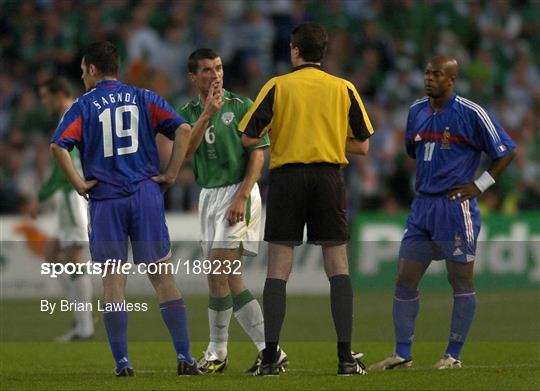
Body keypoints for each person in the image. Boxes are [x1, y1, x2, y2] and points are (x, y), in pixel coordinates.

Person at [50, 41, 199, 376]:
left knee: (113, 282)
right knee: (162, 277)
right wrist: (172, 172)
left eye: (82, 71)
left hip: (105, 199)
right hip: (145, 194)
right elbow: (184, 129)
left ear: (90, 69)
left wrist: (77, 182)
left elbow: (59, 146)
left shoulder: (83, 105)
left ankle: (123, 363)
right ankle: (185, 359)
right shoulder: (144, 97)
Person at [239, 22, 374, 376]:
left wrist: (288, 132)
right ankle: (346, 358)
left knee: (279, 267)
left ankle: (270, 358)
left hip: (287, 179)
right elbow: (362, 144)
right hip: (329, 178)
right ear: (323, 52)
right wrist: (326, 136)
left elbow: (248, 138)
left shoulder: (278, 86)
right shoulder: (343, 88)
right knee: (338, 265)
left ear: (294, 50)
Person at [369, 56, 516, 371]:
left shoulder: (471, 113)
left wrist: (480, 185)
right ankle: (402, 354)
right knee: (405, 279)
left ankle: (453, 354)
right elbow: (414, 151)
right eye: (427, 73)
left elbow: (506, 151)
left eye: (437, 74)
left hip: (454, 207)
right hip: (422, 206)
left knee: (460, 280)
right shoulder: (416, 111)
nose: (429, 78)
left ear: (452, 80)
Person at [178, 48, 288, 374]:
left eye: (219, 68)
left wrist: (241, 196)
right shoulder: (186, 112)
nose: (215, 75)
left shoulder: (243, 106)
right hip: (208, 197)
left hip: (238, 192)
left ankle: (217, 351)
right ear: (193, 77)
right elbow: (186, 153)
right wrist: (206, 115)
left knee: (216, 270)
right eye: (208, 70)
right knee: (229, 278)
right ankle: (270, 352)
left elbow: (258, 154)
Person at [26, 77, 94, 341]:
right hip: (68, 196)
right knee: (51, 253)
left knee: (74, 256)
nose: (44, 102)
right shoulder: (72, 115)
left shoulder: (72, 115)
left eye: (46, 96)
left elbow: (64, 164)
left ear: (58, 94)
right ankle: (81, 317)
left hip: (73, 196)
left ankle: (85, 325)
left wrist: (40, 196)